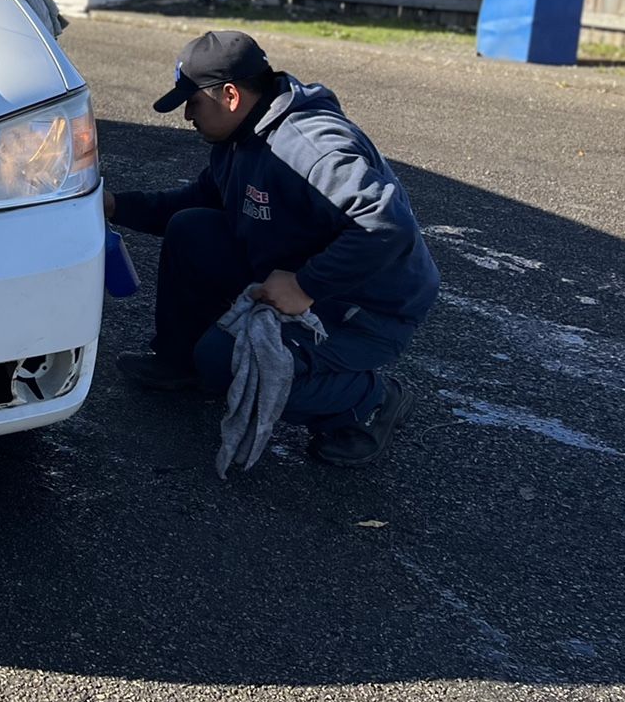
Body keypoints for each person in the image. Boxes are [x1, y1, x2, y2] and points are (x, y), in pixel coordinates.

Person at [103, 31, 440, 467]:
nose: (186, 115)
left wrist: (306, 285)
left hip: (366, 306)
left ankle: (368, 402)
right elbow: (194, 202)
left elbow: (386, 223)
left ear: (229, 95)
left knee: (228, 362)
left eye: (193, 102)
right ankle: (180, 363)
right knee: (192, 229)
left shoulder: (311, 145)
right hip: (302, 272)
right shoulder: (242, 138)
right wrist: (116, 206)